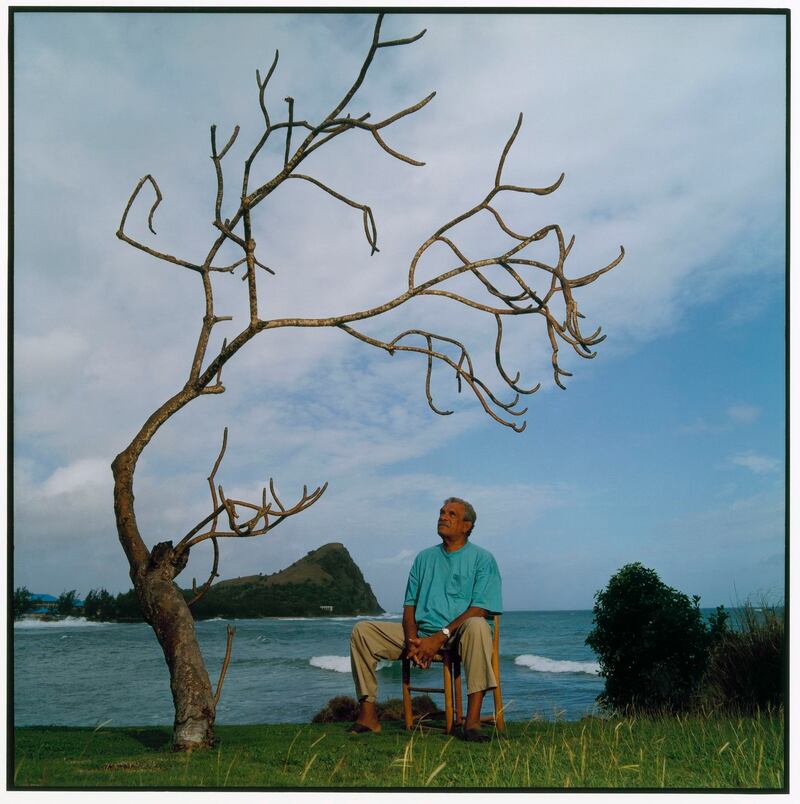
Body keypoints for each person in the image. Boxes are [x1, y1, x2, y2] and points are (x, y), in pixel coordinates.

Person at [349, 497, 502, 742]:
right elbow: (409, 606)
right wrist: (413, 641)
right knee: (362, 631)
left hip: (459, 635)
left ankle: (472, 723)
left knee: (478, 625)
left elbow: (480, 609)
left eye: (451, 514)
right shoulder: (424, 558)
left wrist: (440, 637)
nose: (443, 517)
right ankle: (368, 716)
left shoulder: (483, 559)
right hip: (421, 635)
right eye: (442, 512)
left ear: (467, 526)